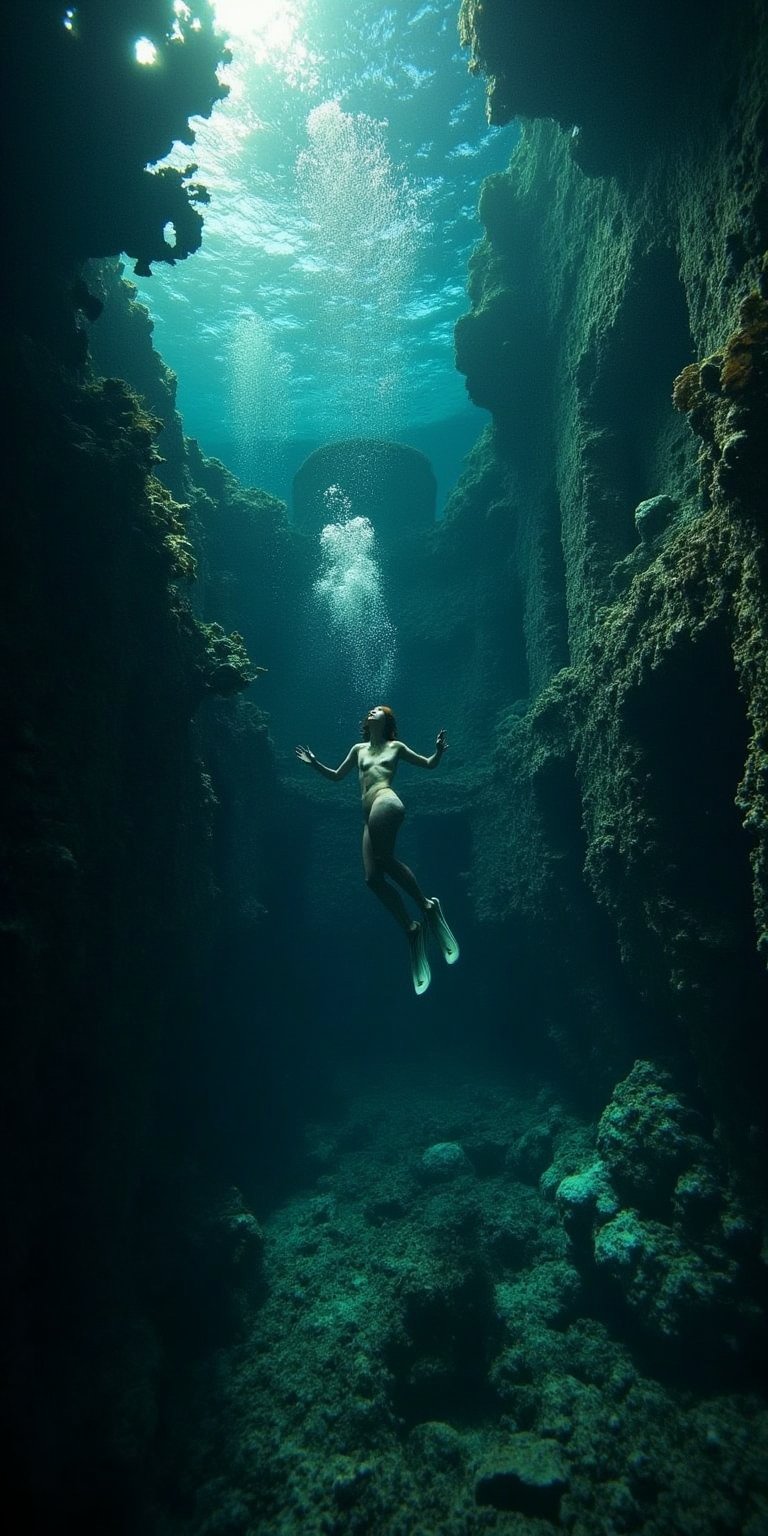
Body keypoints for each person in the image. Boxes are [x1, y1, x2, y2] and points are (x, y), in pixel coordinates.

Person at [296, 705, 459, 995]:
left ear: (388, 721)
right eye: (370, 710)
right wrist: (314, 763)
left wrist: (438, 752)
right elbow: (336, 776)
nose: (371, 712)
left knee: (384, 858)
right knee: (372, 878)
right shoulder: (358, 749)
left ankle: (427, 906)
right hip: (367, 815)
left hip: (386, 801)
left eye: (378, 711)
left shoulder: (396, 746)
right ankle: (411, 928)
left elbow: (428, 764)